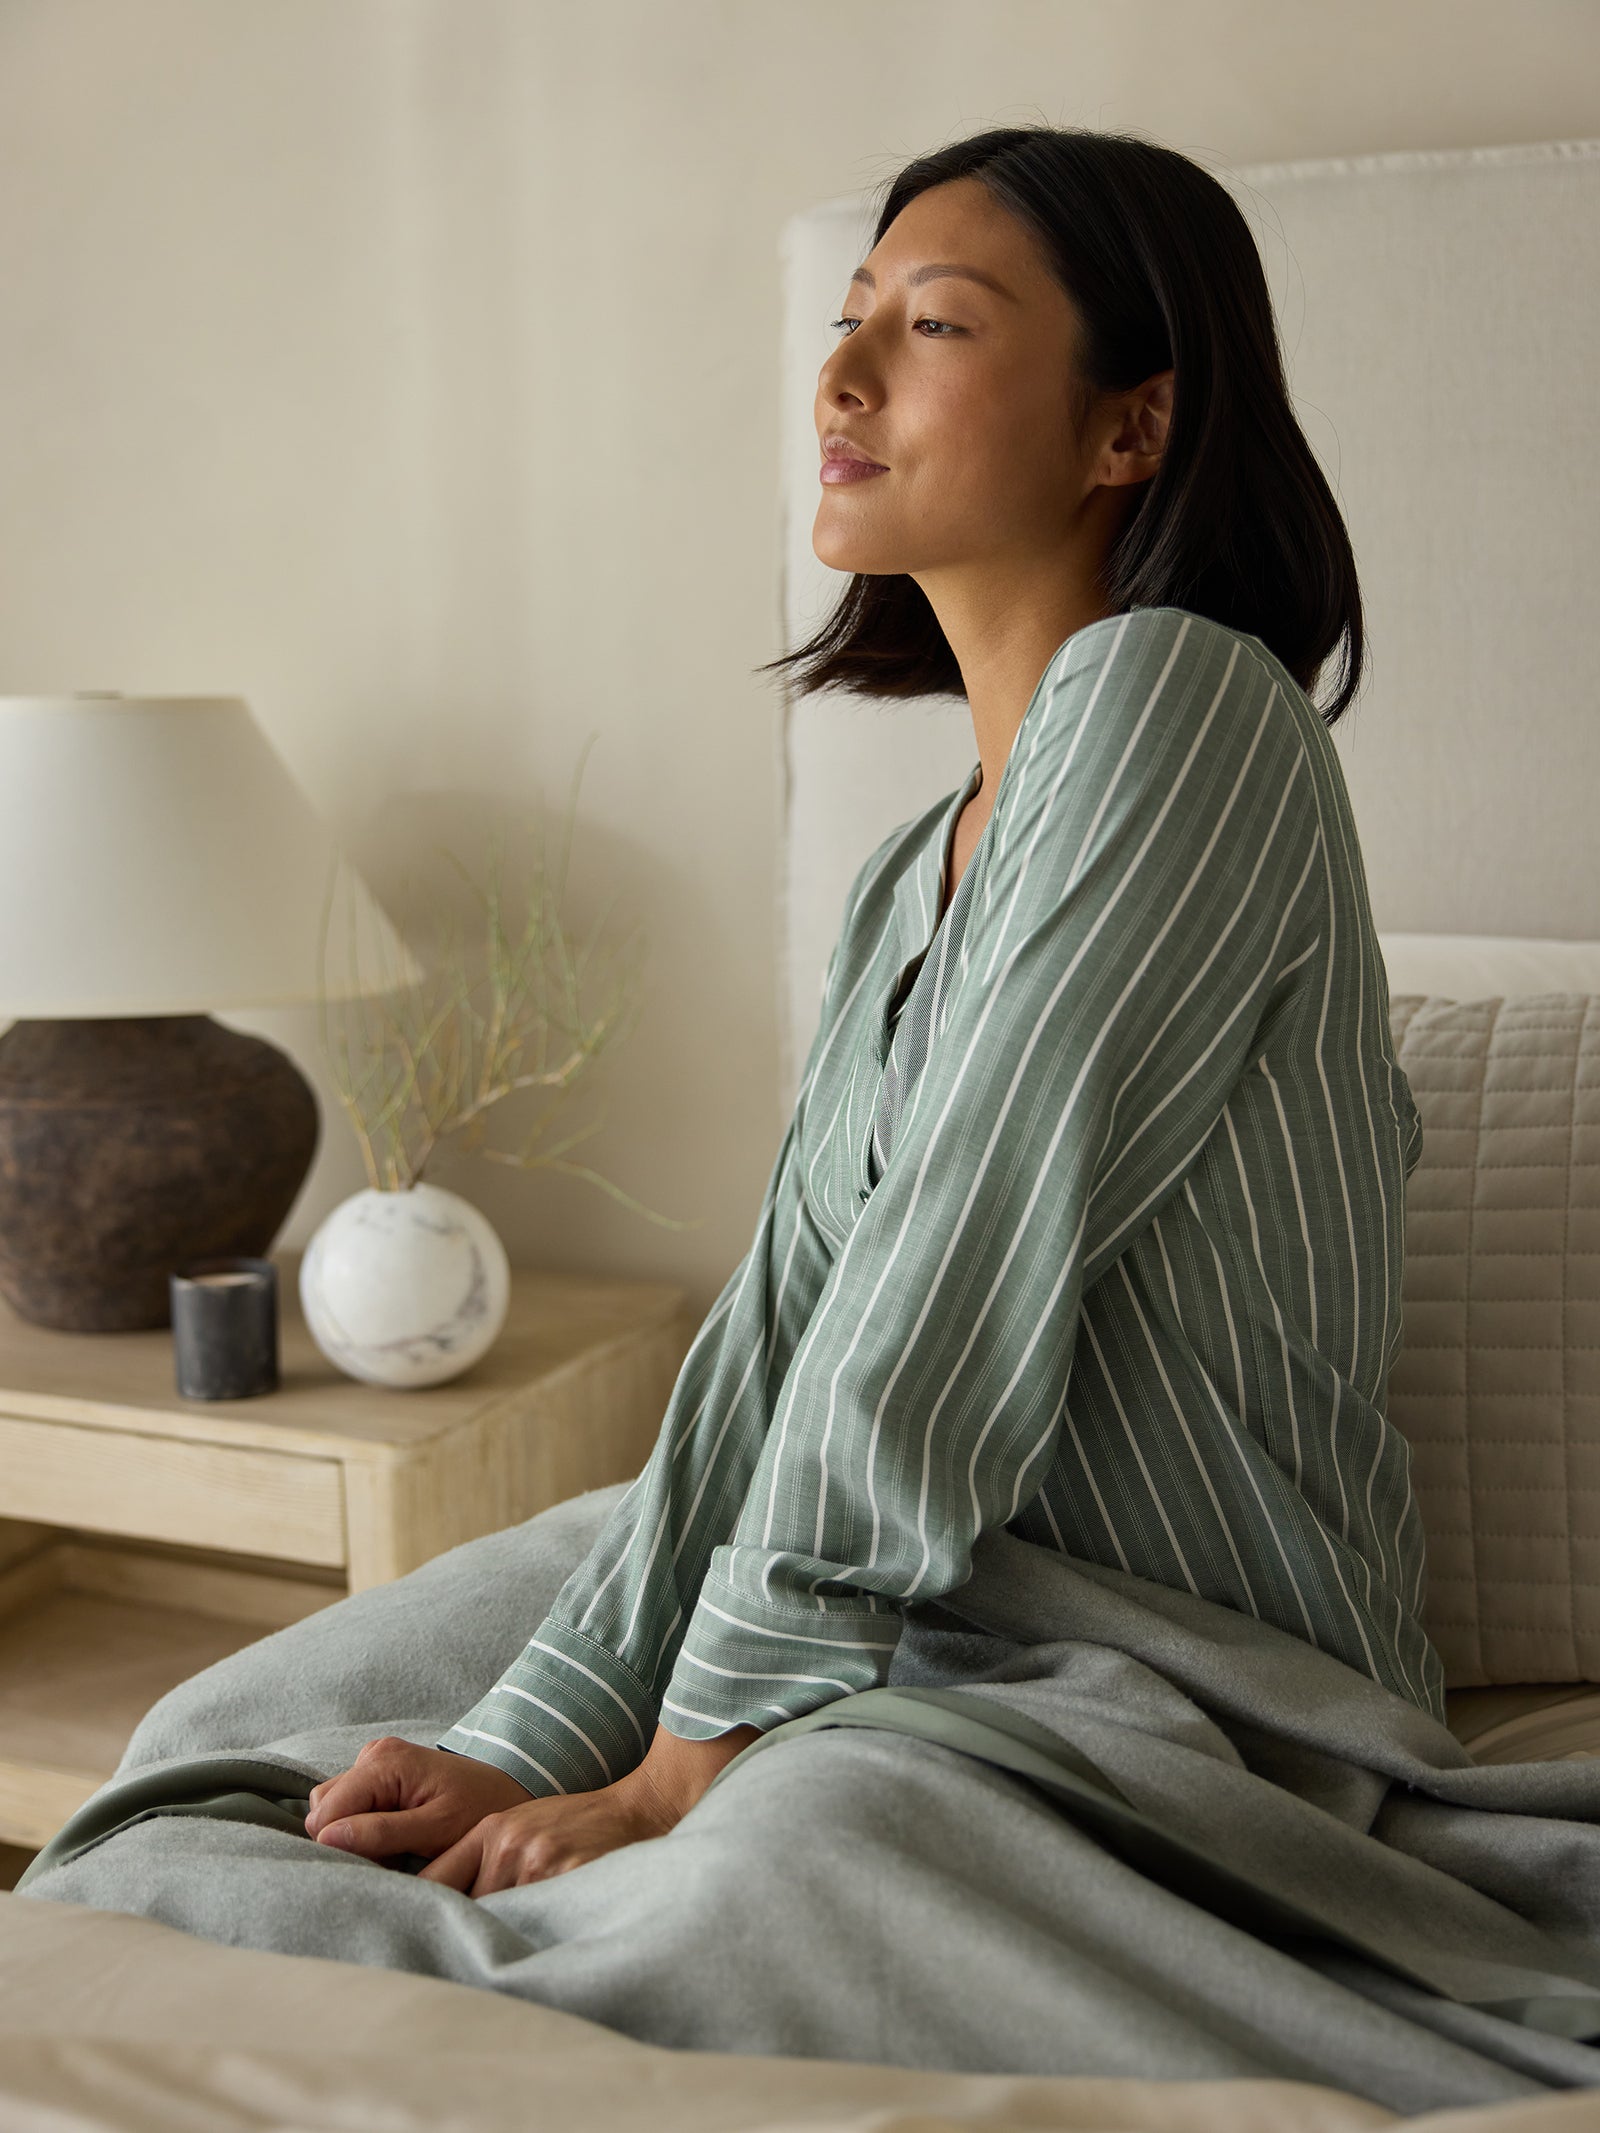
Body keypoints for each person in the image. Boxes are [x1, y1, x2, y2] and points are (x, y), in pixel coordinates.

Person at [303, 122, 1439, 1898]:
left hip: (1190, 1676)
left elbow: (961, 1252)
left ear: (1129, 426)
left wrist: (697, 1755)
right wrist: (541, 1731)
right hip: (920, 1610)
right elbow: (782, 1330)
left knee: (768, 1859)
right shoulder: (910, 871)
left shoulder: (1186, 714)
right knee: (294, 1713)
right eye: (848, 318)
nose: (837, 375)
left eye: (935, 326)